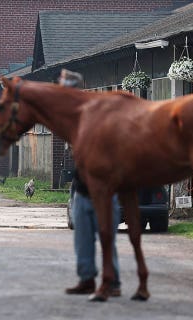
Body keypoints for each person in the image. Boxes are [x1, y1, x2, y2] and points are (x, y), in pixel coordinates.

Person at [57, 69, 122, 299]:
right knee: (82, 238)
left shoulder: (97, 116)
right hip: (82, 189)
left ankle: (112, 282)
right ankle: (86, 279)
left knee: (106, 239)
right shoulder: (73, 119)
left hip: (104, 191)